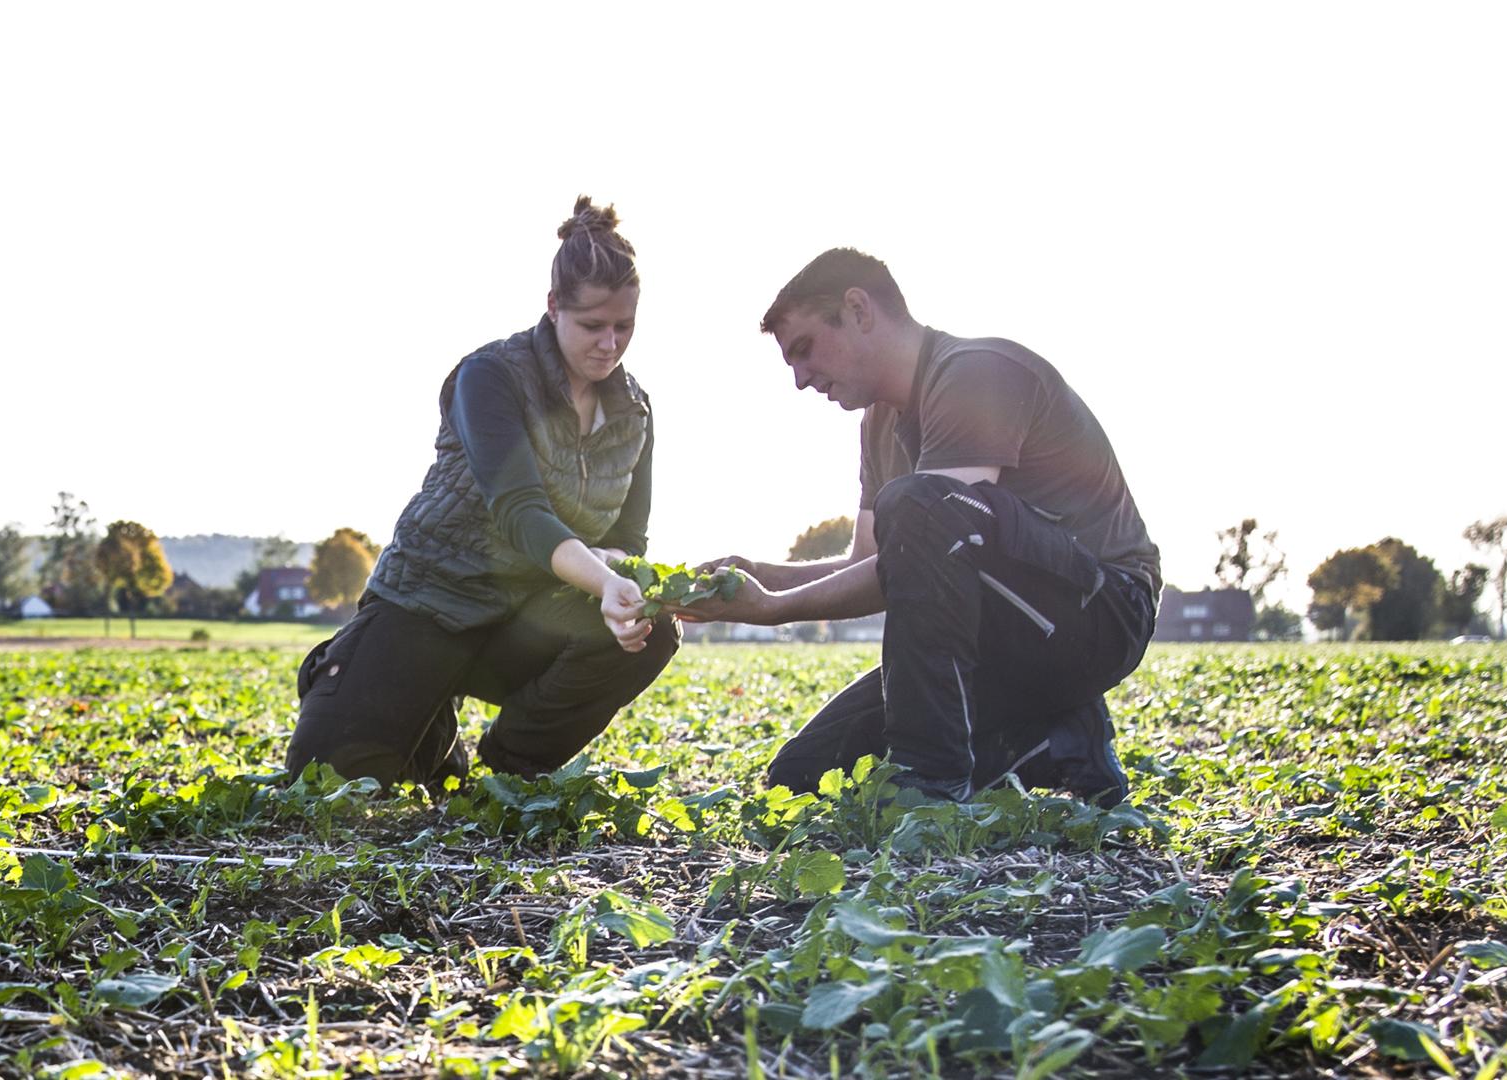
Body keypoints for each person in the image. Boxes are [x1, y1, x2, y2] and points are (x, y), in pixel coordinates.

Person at [669, 248, 1152, 804]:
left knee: (921, 504)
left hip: (1101, 614)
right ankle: (1063, 740)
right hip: (994, 638)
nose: (801, 379)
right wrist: (759, 577)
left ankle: (931, 782)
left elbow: (935, 528)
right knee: (803, 773)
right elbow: (871, 564)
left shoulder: (976, 373)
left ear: (858, 309)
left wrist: (773, 611)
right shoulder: (879, 422)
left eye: (804, 350)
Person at [282, 198, 676, 786]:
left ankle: (513, 764)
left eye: (625, 327)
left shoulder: (635, 411)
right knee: (326, 778)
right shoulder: (491, 376)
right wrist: (603, 577)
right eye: (593, 325)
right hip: (432, 601)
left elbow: (625, 539)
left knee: (654, 630)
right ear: (553, 308)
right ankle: (371, 680)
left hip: (526, 620)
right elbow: (521, 511)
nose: (609, 344)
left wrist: (624, 578)